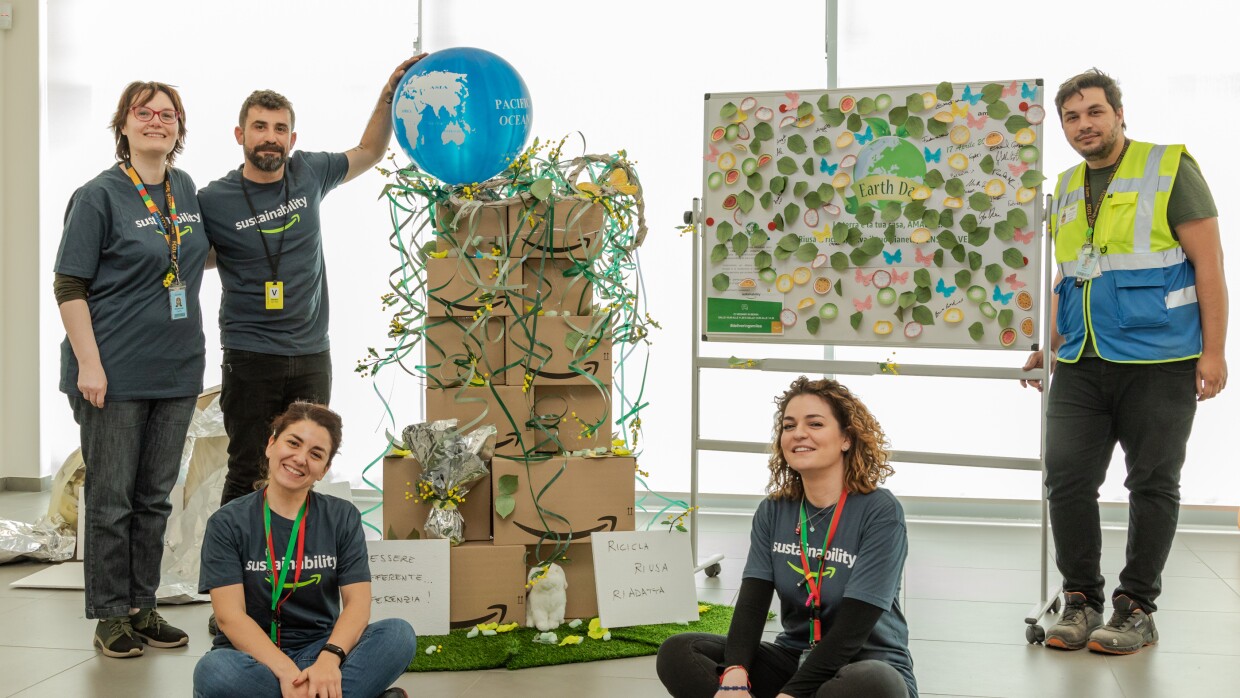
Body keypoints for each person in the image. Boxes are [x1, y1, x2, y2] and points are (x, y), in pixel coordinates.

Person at [1022, 69, 1228, 655]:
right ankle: (1081, 599)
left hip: (1162, 358)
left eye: (1094, 111)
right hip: (1084, 357)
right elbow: (1073, 273)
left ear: (1118, 113)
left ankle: (1136, 608)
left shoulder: (1169, 168)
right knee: (1066, 477)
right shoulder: (1064, 185)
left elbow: (1209, 265)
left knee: (1152, 482)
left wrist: (1214, 352)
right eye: (1072, 117)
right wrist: (1053, 341)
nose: (1084, 124)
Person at [199, 54, 425, 508]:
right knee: (249, 468)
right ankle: (229, 574)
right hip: (250, 354)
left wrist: (387, 96)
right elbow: (194, 259)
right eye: (260, 127)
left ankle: (295, 568)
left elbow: (370, 152)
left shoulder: (309, 171)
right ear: (241, 135)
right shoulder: (214, 199)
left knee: (306, 467)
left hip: (310, 353)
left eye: (280, 129)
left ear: (292, 137)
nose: (270, 137)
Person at [54, 81, 207, 658]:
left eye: (167, 115)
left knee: (155, 498)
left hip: (176, 370)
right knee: (112, 499)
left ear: (178, 129)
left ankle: (144, 606)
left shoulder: (184, 188)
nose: (156, 122)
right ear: (123, 125)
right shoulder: (98, 196)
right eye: (144, 113)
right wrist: (90, 365)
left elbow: (193, 256)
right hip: (112, 373)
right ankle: (110, 616)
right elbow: (69, 284)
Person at [657, 377, 916, 698]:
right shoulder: (775, 510)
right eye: (789, 425)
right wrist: (734, 673)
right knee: (679, 651)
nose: (799, 434)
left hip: (862, 666)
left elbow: (851, 633)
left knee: (874, 681)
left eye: (815, 423)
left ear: (846, 438)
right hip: (794, 657)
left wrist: (790, 695)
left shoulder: (880, 511)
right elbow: (751, 606)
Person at [193, 402, 416, 698]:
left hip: (319, 652)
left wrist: (329, 659)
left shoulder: (342, 517)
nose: (300, 459)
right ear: (271, 444)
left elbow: (358, 605)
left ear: (324, 470)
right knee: (215, 671)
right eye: (293, 443)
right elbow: (229, 617)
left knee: (398, 635)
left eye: (316, 454)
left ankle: (316, 688)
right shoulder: (227, 522)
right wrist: (285, 671)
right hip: (252, 659)